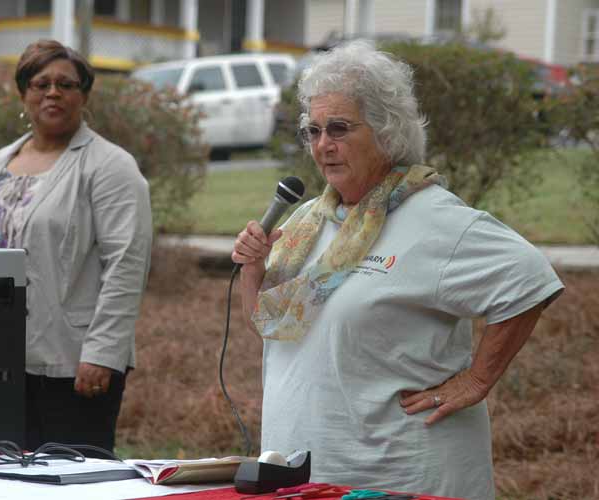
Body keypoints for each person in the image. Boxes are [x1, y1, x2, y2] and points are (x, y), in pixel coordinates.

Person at [231, 41, 564, 500]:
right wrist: (252, 274)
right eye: (313, 130)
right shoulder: (307, 221)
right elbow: (273, 330)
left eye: (340, 128)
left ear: (386, 130)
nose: (323, 145)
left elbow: (530, 279)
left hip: (399, 476)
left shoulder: (433, 218)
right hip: (305, 474)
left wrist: (477, 380)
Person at [0, 39, 153, 455]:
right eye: (41, 83)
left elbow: (127, 263)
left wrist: (103, 353)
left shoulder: (109, 166)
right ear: (23, 94)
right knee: (0, 479)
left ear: (84, 96)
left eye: (66, 84)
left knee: (71, 480)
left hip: (74, 364)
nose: (53, 92)